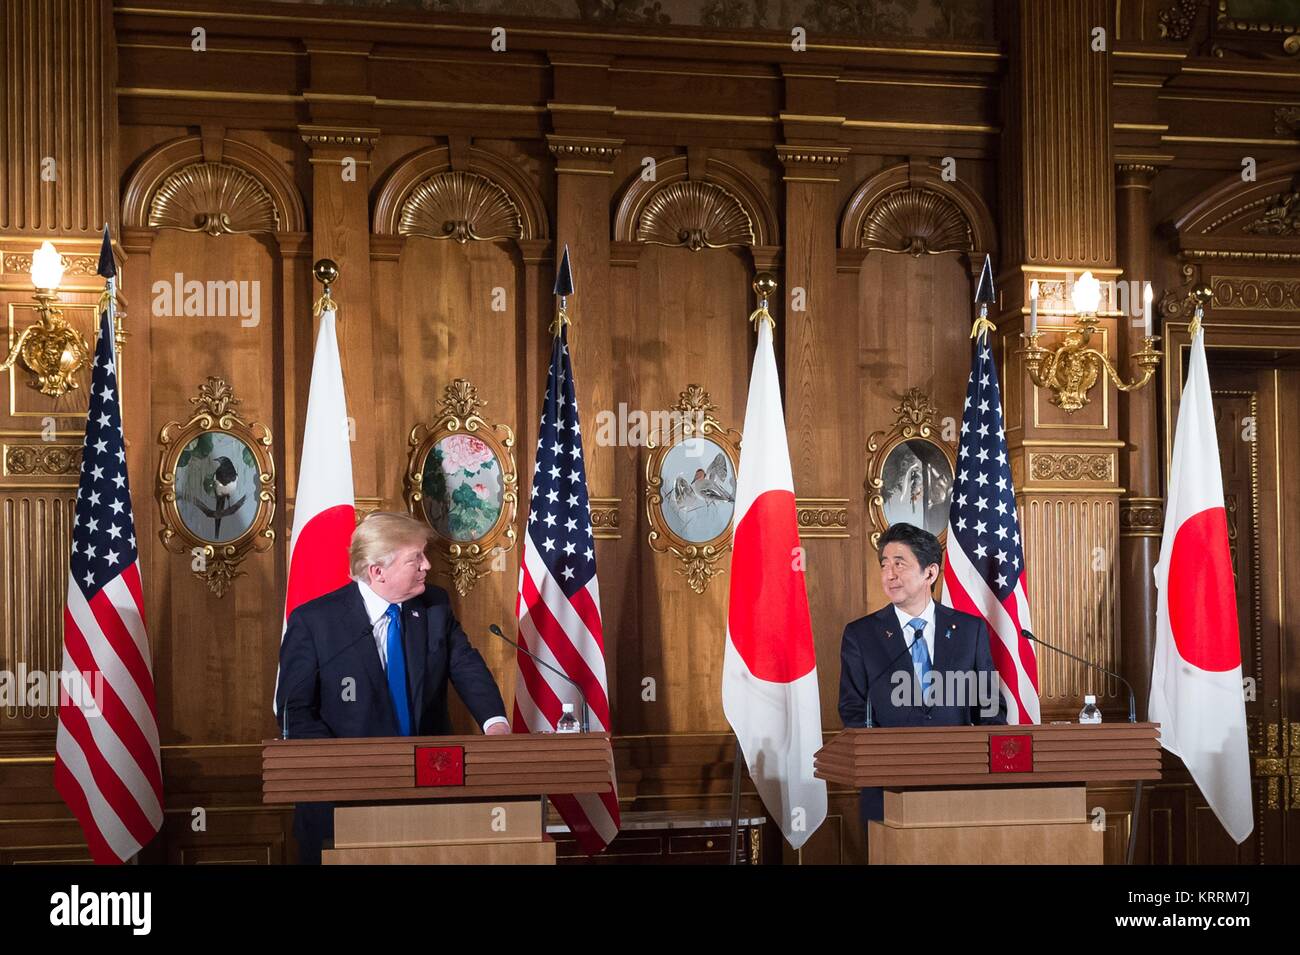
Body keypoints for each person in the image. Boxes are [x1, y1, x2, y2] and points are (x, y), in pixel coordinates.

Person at [275, 511, 510, 863]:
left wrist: (496, 723)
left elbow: (465, 664)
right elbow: (295, 711)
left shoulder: (434, 605)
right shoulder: (315, 621)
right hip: (342, 804)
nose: (427, 566)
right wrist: (344, 766)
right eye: (415, 558)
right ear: (377, 571)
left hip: (426, 795)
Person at [838, 522, 1006, 826]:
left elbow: (990, 706)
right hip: (888, 788)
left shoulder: (970, 630)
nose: (889, 574)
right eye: (884, 565)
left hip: (960, 785)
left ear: (930, 573)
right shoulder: (861, 635)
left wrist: (980, 764)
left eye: (899, 564)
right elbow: (852, 709)